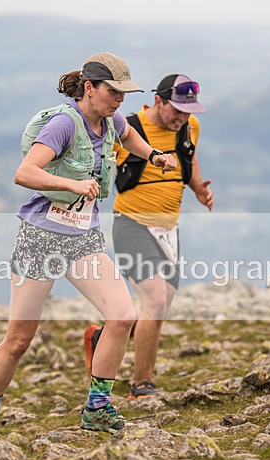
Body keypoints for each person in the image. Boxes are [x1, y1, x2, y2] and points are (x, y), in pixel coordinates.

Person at [0, 53, 178, 444]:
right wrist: (73, 185)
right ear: (89, 88)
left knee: (121, 316)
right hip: (41, 238)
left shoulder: (111, 120)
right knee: (19, 340)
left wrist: (155, 156)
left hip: (83, 237)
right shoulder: (65, 124)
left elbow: (129, 137)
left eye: (124, 93)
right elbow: (24, 172)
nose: (119, 101)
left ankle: (97, 407)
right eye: (113, 92)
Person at [84, 74, 213, 399]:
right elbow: (97, 161)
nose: (182, 119)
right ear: (159, 101)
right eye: (176, 111)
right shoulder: (128, 127)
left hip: (169, 230)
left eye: (187, 112)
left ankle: (102, 338)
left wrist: (197, 187)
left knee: (160, 307)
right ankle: (141, 385)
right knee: (154, 299)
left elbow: (190, 156)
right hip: (131, 225)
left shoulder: (189, 127)